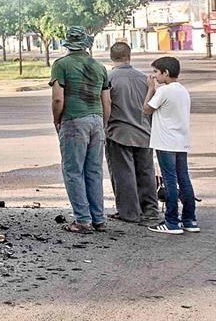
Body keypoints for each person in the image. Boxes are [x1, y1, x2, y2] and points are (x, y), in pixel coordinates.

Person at [50, 26, 110, 233]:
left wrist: (57, 120)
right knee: (94, 171)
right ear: (86, 43)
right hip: (96, 120)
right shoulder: (100, 67)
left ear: (67, 43)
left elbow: (58, 98)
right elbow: (107, 101)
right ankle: (98, 219)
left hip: (74, 120)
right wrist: (103, 123)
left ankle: (82, 220)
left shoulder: (61, 65)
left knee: (73, 171)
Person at [142, 56, 198, 234]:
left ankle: (171, 222)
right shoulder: (182, 91)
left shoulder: (164, 91)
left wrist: (150, 89)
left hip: (165, 142)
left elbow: (146, 110)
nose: (154, 76)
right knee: (184, 179)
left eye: (156, 72)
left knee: (170, 180)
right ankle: (189, 220)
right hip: (181, 141)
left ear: (166, 73)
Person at [105, 42, 159, 224]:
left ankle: (129, 213)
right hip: (144, 132)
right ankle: (150, 210)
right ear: (130, 56)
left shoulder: (109, 79)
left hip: (119, 133)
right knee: (146, 172)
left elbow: (105, 105)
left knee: (123, 174)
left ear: (111, 57)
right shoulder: (144, 79)